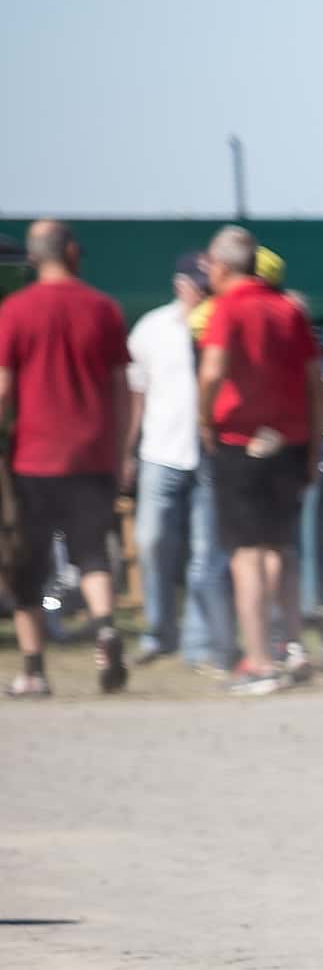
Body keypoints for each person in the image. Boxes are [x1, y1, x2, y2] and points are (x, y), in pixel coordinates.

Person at [0, 220, 139, 697]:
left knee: (28, 566)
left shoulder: (15, 311)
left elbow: (2, 389)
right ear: (74, 252)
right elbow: (122, 388)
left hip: (34, 456)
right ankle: (104, 627)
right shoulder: (103, 309)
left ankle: (34, 671)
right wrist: (121, 450)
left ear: (34, 258)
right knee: (92, 553)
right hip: (93, 454)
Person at [191, 225, 323, 695]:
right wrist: (314, 447)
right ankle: (287, 643)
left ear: (223, 266)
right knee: (276, 550)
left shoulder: (226, 308)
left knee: (246, 555)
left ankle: (258, 659)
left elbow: (212, 372)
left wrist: (204, 420)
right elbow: (317, 386)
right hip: (288, 441)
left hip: (240, 441)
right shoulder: (289, 309)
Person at [124, 255, 231, 672]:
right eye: (195, 283)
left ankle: (199, 641)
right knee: (152, 542)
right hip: (160, 451)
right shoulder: (151, 328)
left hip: (209, 452)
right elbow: (137, 395)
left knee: (206, 552)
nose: (201, 290)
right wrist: (127, 452)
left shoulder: (222, 321)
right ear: (179, 284)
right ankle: (159, 631)